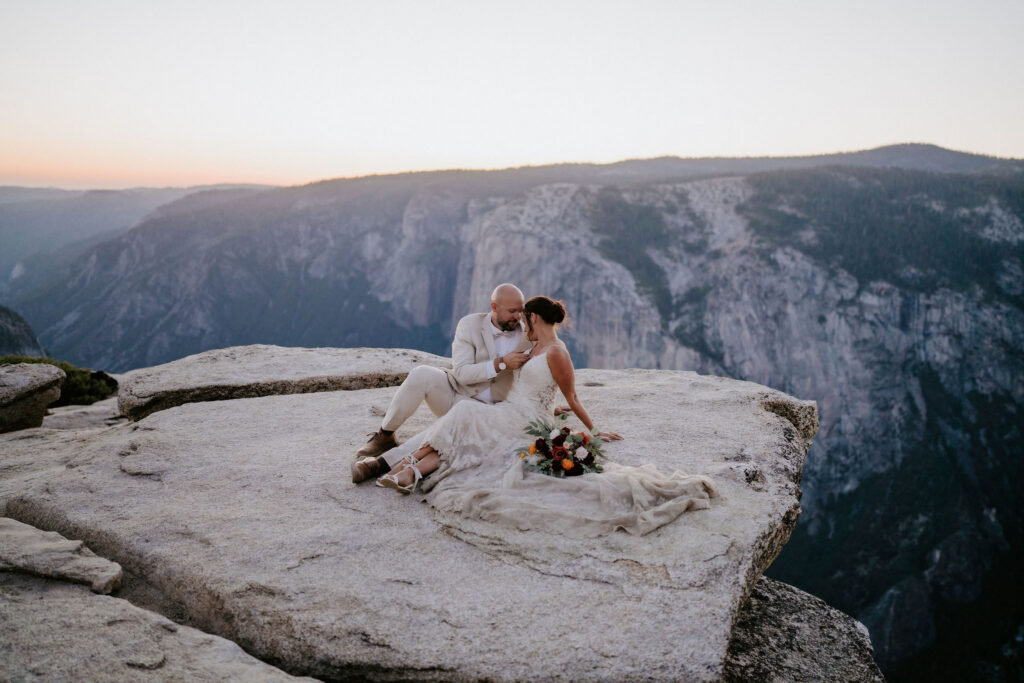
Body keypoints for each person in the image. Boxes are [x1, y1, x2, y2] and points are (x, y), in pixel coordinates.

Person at [376, 296, 719, 537]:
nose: (521, 324)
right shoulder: (533, 348)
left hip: (526, 423)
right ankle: (410, 472)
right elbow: (532, 387)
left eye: (524, 319)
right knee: (467, 420)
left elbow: (572, 395)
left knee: (467, 417)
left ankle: (408, 467)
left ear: (535, 319)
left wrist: (595, 430)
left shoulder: (556, 352)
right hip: (511, 411)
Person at [350, 283, 534, 483]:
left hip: (486, 412)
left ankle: (381, 464)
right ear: (494, 307)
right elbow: (462, 373)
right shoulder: (469, 324)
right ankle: (385, 435)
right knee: (421, 373)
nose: (518, 316)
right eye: (512, 311)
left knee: (442, 429)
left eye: (520, 311)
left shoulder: (529, 335)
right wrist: (501, 363)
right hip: (456, 391)